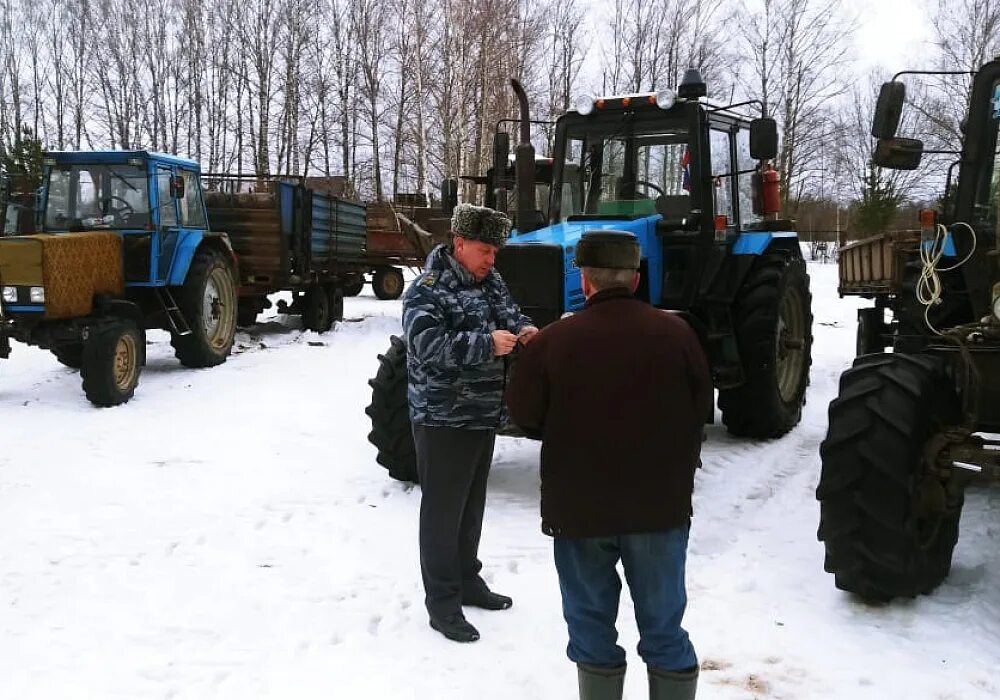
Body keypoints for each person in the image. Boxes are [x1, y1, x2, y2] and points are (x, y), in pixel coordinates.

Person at [506, 230, 711, 700]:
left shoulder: (553, 341)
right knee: (664, 631)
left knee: (591, 633)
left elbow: (523, 415)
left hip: (580, 512)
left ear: (585, 280)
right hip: (659, 510)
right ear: (635, 279)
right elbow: (701, 407)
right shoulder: (679, 334)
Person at [402, 202, 538, 643]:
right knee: (443, 512)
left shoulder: (489, 280)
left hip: (481, 414)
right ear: (459, 244)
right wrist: (486, 345)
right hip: (442, 417)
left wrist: (525, 328)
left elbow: (509, 313)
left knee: (471, 505)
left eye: (495, 251)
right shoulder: (427, 289)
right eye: (485, 250)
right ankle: (442, 602)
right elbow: (425, 345)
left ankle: (468, 580)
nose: (492, 259)